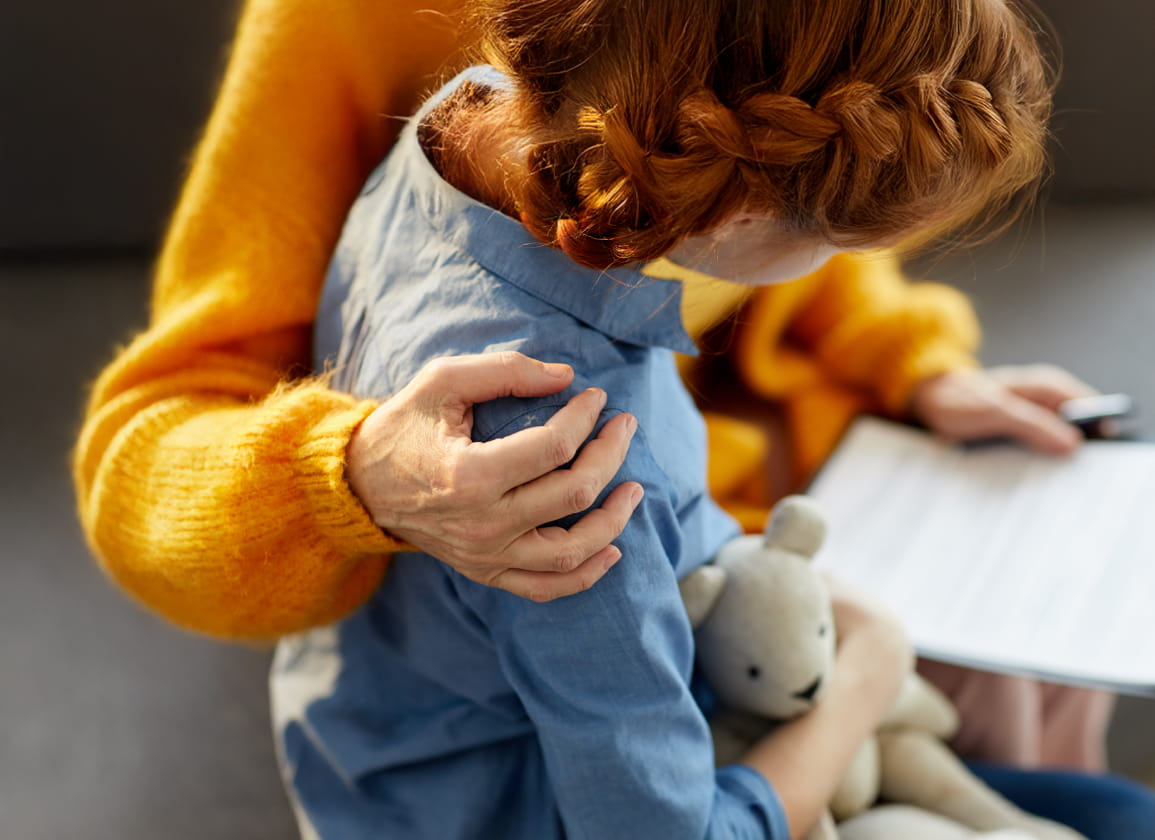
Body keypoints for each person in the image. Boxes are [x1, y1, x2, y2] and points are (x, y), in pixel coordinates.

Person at [73, 0, 1107, 774]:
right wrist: (351, 475)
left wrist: (913, 371)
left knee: (1045, 656)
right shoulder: (343, 26)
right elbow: (146, 454)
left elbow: (807, 206)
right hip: (526, 569)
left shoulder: (791, 134)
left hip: (730, 491)